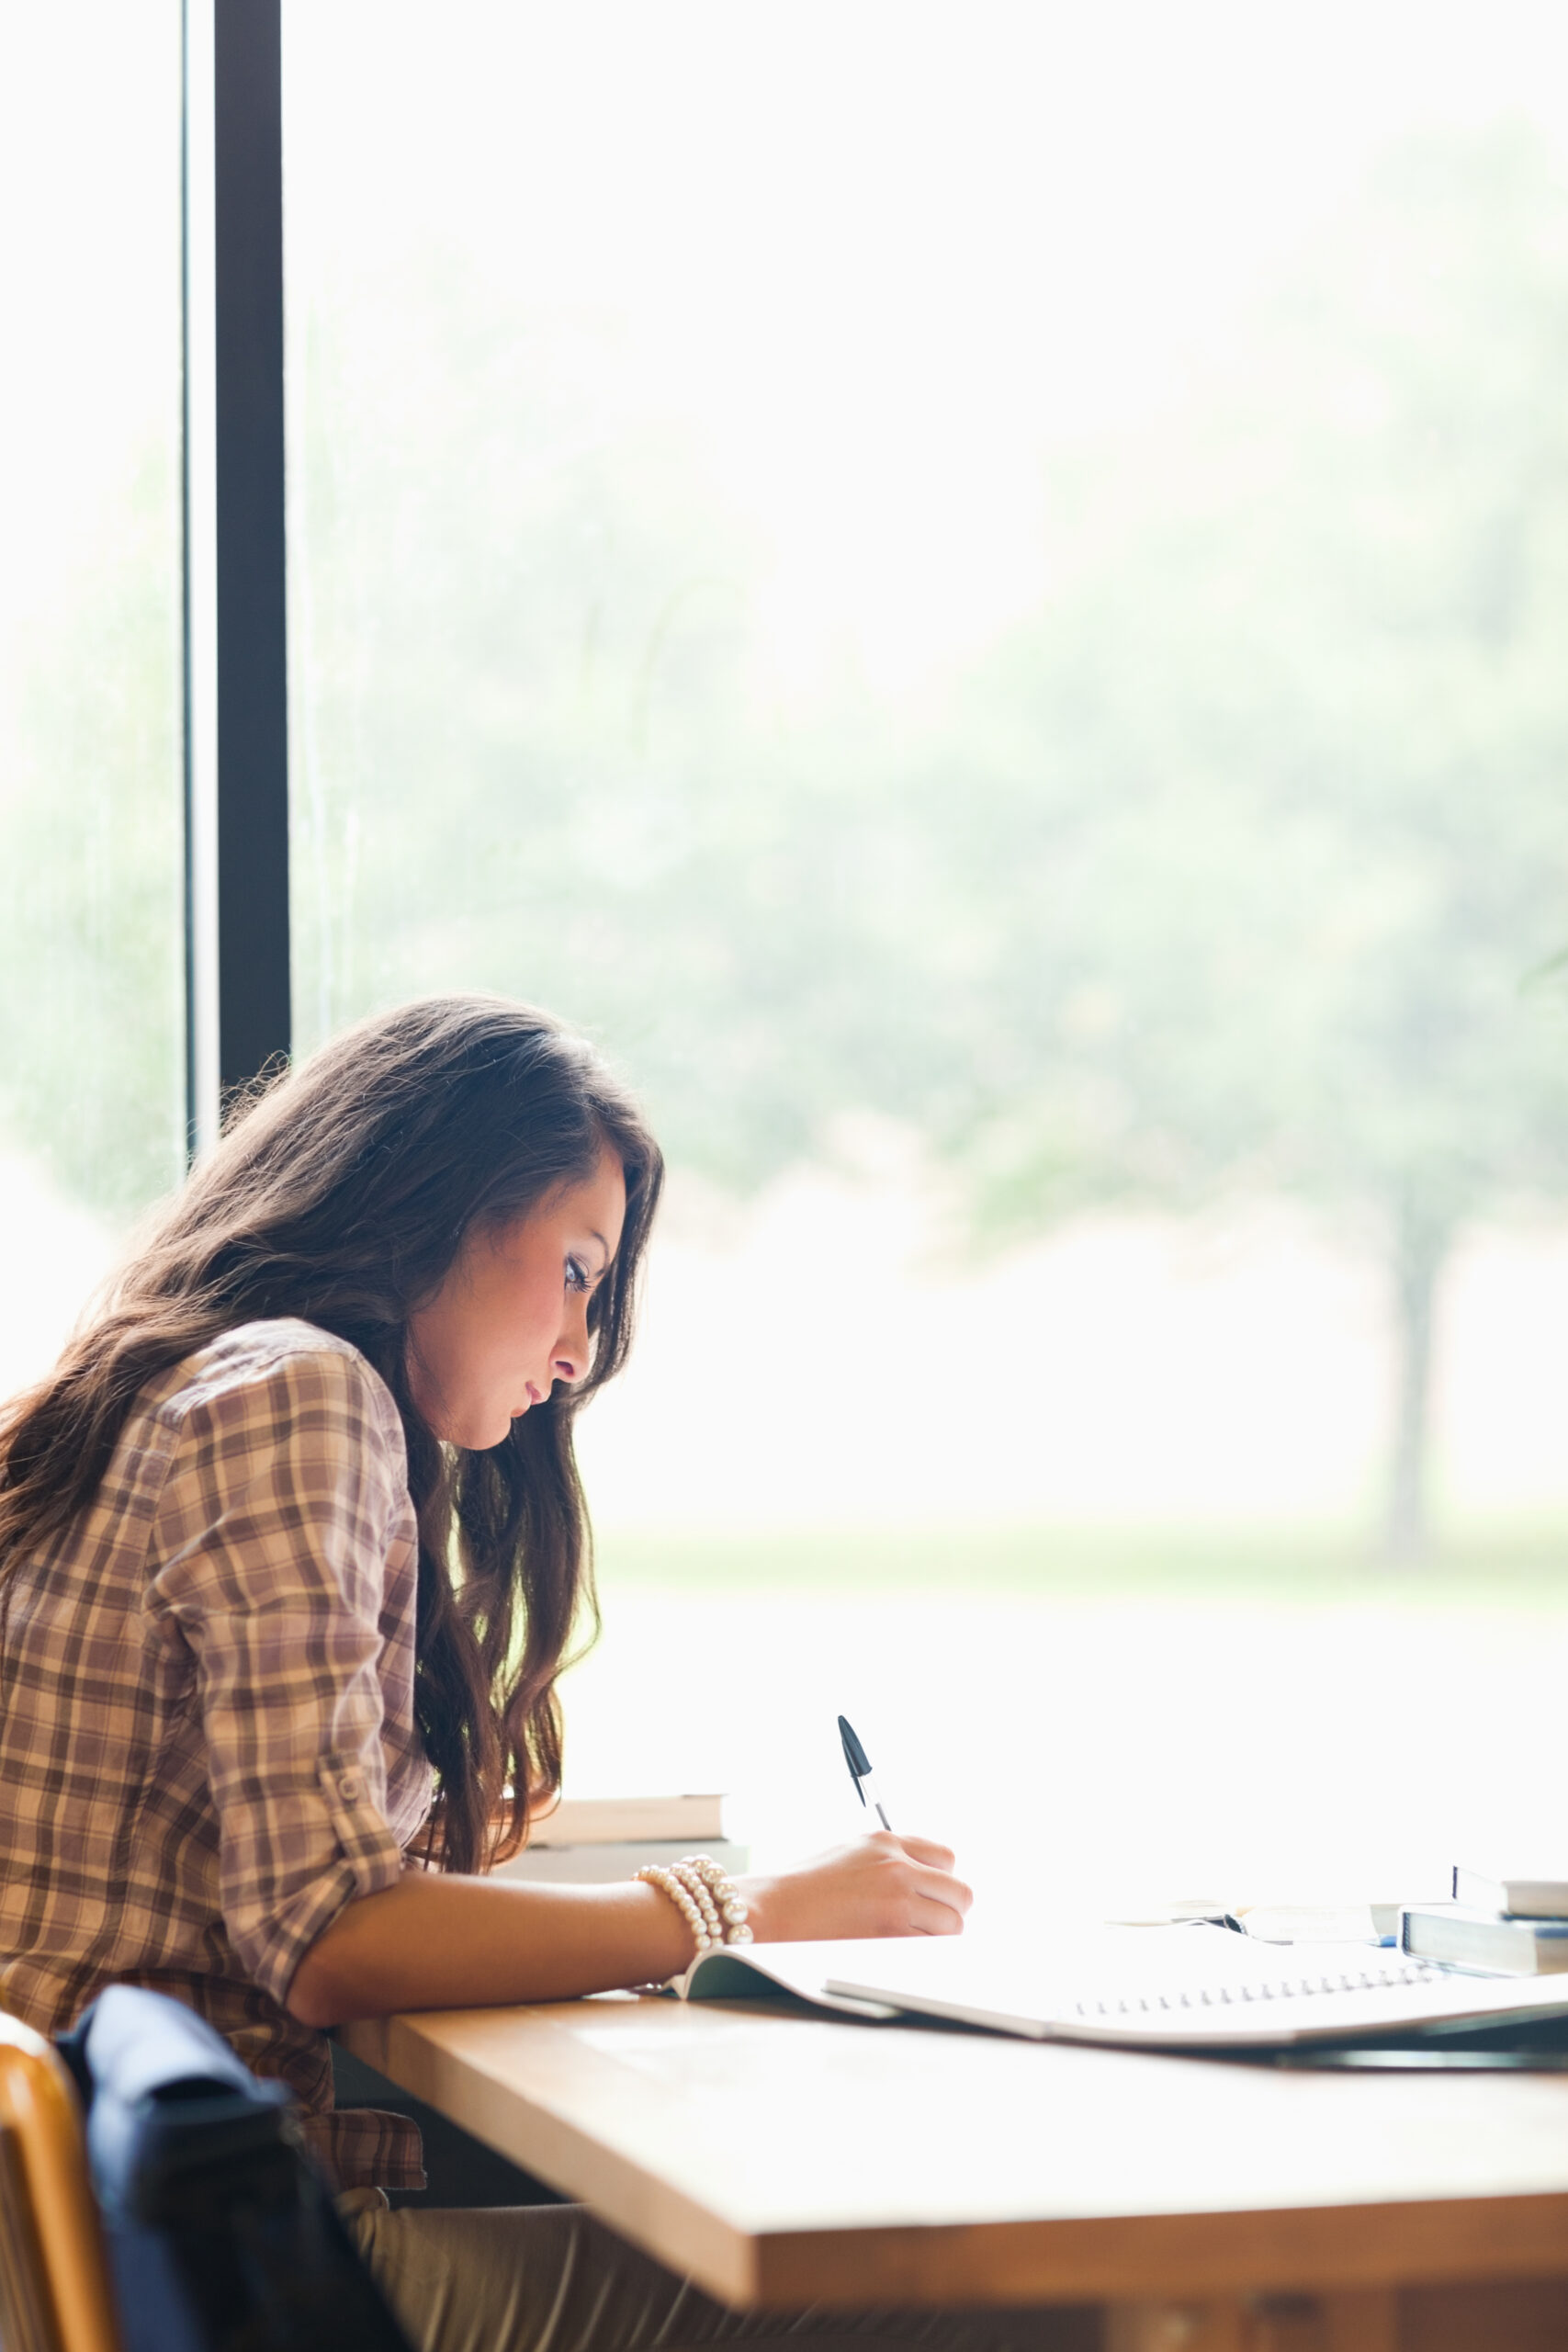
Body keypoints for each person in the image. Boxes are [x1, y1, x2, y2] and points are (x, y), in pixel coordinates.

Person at [0, 997, 1077, 2352]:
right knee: (998, 2297)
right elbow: (331, 1934)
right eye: (577, 1267)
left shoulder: (150, 1394)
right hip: (176, 2279)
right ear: (432, 1203)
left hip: (83, 2243)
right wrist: (742, 1909)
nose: (577, 1356)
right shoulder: (300, 1393)